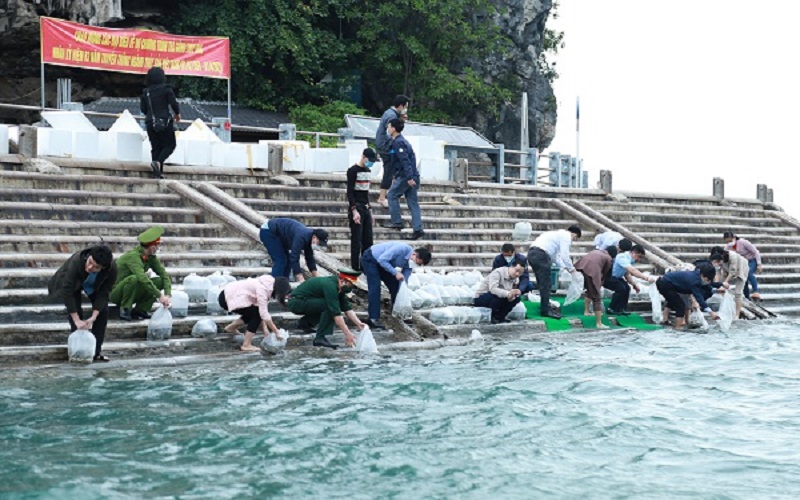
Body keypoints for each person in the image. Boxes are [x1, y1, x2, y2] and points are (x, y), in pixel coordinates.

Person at [48, 245, 117, 362]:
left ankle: (95, 352)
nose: (90, 267)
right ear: (89, 256)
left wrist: (93, 317)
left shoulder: (112, 270)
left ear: (103, 268)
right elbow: (67, 291)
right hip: (74, 283)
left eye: (95, 267)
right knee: (76, 313)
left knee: (103, 311)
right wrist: (76, 320)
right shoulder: (77, 261)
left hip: (94, 284)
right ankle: (78, 351)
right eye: (90, 262)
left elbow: (104, 294)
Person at [286, 268, 366, 349]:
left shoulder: (338, 287)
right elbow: (336, 314)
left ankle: (304, 323)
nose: (351, 287)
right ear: (342, 281)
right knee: (329, 306)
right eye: (350, 285)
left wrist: (359, 324)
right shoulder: (330, 286)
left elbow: (347, 308)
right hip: (296, 302)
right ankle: (320, 338)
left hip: (304, 301)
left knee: (328, 305)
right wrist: (347, 333)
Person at [361, 242, 432, 330]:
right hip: (372, 258)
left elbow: (405, 277)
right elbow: (382, 259)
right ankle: (373, 318)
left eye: (418, 264)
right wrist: (395, 273)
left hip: (384, 264)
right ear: (414, 254)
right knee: (375, 287)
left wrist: (403, 288)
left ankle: (398, 313)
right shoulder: (400, 248)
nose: (415, 265)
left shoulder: (410, 263)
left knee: (396, 285)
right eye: (416, 262)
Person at [111, 226, 171, 321]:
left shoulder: (151, 257)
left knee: (160, 281)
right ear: (152, 247)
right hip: (116, 293)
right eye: (158, 245)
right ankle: (125, 308)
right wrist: (159, 295)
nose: (159, 248)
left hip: (133, 290)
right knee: (134, 278)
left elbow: (164, 275)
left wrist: (167, 295)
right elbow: (142, 278)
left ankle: (141, 309)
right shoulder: (133, 257)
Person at [218, 275, 292, 351]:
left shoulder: (267, 284)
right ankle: (246, 345)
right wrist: (276, 332)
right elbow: (263, 314)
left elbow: (260, 308)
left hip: (227, 295)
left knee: (254, 313)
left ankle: (231, 328)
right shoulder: (263, 289)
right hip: (227, 298)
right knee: (256, 316)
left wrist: (265, 330)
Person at [527, 226, 582, 319]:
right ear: (574, 233)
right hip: (541, 255)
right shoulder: (566, 235)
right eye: (575, 238)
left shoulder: (556, 235)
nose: (573, 240)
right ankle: (545, 310)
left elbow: (556, 257)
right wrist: (572, 269)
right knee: (546, 284)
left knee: (543, 283)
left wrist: (565, 267)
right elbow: (565, 255)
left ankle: (546, 307)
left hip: (533, 254)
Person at [383, 118, 424, 240]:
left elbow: (404, 161)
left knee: (391, 195)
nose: (388, 129)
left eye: (389, 127)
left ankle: (397, 221)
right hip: (411, 175)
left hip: (406, 176)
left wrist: (409, 177)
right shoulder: (401, 141)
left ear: (394, 129)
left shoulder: (398, 143)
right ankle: (418, 228)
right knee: (412, 203)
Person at [140, 66, 181, 179]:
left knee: (156, 147)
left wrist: (150, 117)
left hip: (150, 123)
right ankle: (158, 162)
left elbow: (143, 109)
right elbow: (173, 103)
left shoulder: (146, 92)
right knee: (170, 145)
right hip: (164, 121)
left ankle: (157, 173)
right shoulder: (166, 89)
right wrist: (177, 114)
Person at [259, 218, 328, 283]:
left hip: (280, 235)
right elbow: (294, 257)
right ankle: (274, 286)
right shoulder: (302, 236)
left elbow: (309, 258)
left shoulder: (309, 238)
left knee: (288, 261)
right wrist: (301, 279)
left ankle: (284, 287)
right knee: (281, 260)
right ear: (314, 237)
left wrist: (317, 278)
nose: (318, 245)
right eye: (319, 243)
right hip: (268, 231)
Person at [656, 265, 722, 329]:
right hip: (664, 284)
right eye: (707, 280)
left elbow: (706, 285)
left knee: (675, 301)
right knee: (680, 306)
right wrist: (711, 312)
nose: (708, 282)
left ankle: (669, 323)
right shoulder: (694, 281)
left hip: (670, 285)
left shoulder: (698, 275)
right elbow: (699, 298)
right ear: (702, 275)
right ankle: (677, 329)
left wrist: (716, 289)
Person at [375, 95, 410, 207]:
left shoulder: (391, 113)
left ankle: (391, 194)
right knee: (389, 170)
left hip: (385, 145)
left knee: (393, 170)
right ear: (401, 105)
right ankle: (382, 197)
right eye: (405, 106)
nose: (405, 109)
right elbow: (390, 131)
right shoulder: (391, 115)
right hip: (386, 147)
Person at [346, 148, 378, 270]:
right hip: (357, 206)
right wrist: (354, 210)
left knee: (368, 241)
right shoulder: (352, 171)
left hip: (365, 206)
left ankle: (365, 267)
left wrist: (370, 210)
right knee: (356, 241)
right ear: (363, 157)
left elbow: (366, 192)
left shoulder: (367, 171)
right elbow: (350, 192)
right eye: (369, 160)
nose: (370, 163)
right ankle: (355, 268)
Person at [605, 244, 656, 316]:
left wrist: (634, 285)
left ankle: (622, 308)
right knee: (621, 289)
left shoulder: (629, 260)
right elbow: (632, 270)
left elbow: (627, 274)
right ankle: (612, 308)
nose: (639, 259)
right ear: (633, 253)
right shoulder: (622, 257)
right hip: (608, 277)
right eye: (639, 256)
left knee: (627, 288)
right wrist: (646, 278)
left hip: (617, 277)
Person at [574, 246, 618, 328]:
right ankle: (599, 323)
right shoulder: (608, 258)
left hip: (580, 268)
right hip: (592, 272)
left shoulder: (596, 251)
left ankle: (586, 311)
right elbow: (605, 274)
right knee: (596, 296)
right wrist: (600, 283)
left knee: (589, 290)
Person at [710, 249, 749, 319]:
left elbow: (733, 272)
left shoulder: (732, 256)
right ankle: (727, 309)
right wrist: (717, 284)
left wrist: (725, 282)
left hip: (741, 270)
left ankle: (737, 315)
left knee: (738, 293)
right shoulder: (719, 260)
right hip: (727, 271)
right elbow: (718, 272)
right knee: (721, 290)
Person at [723, 231, 762, 300]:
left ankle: (756, 291)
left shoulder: (743, 242)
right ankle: (746, 296)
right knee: (743, 277)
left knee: (748, 273)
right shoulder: (728, 247)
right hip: (742, 263)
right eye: (727, 242)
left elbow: (756, 252)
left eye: (730, 241)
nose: (729, 243)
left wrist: (759, 264)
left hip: (752, 260)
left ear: (734, 238)